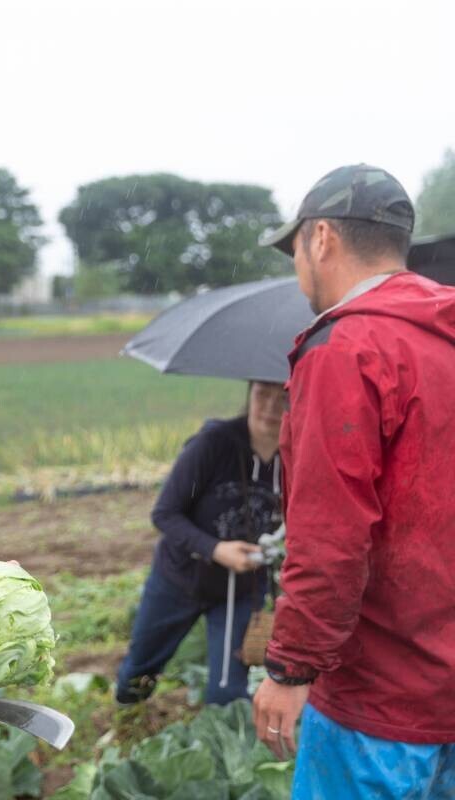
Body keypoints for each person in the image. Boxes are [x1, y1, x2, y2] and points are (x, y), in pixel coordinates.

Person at [252, 165, 455, 797]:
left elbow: (331, 537)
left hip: (380, 701)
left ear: (320, 239)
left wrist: (290, 669)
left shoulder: (346, 348)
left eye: (295, 252)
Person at [115, 380, 286, 706]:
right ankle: (128, 718)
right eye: (262, 394)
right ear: (249, 394)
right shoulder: (213, 445)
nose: (270, 408)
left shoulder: (298, 456)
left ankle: (222, 746)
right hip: (179, 579)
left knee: (229, 692)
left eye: (284, 398)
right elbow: (165, 514)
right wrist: (217, 550)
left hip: (241, 591)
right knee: (138, 673)